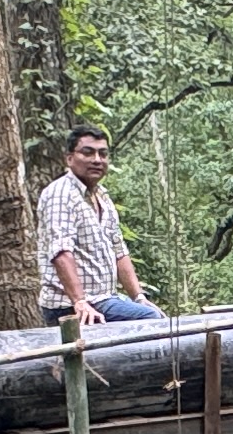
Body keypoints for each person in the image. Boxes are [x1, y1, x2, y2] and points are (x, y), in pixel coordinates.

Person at [36, 121, 162, 331]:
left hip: (103, 299)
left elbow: (119, 251)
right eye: (88, 153)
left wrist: (138, 297)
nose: (97, 160)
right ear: (69, 158)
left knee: (150, 311)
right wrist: (80, 302)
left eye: (102, 154)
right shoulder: (61, 194)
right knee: (149, 320)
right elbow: (61, 252)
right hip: (69, 305)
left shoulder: (102, 197)